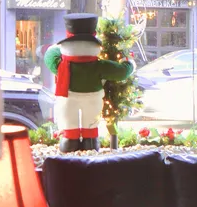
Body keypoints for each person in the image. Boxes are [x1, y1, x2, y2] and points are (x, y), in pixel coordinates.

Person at [44, 13, 135, 152]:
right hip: (93, 99)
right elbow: (122, 72)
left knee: (69, 128)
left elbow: (49, 56)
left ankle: (69, 144)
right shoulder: (99, 65)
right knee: (90, 128)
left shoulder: (61, 64)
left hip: (67, 98)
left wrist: (56, 48)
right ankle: (90, 145)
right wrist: (129, 63)